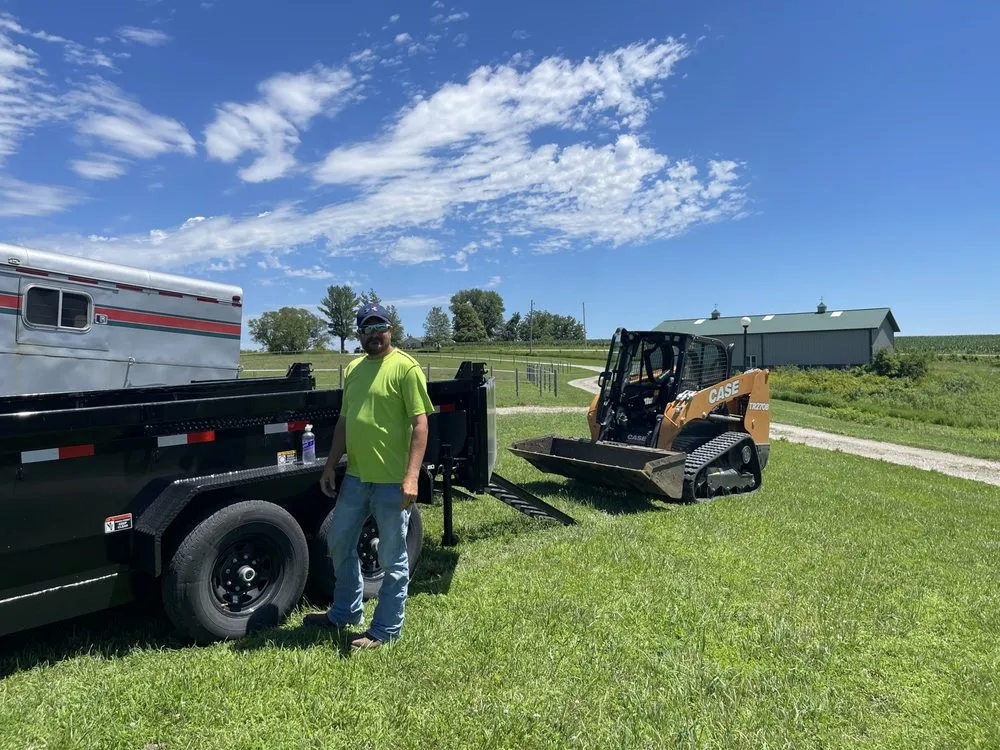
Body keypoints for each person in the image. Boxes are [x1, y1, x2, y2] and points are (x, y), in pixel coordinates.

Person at [303, 302, 434, 651]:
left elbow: (421, 425)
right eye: (367, 328)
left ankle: (386, 629)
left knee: (393, 558)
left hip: (392, 482)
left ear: (390, 330)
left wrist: (412, 477)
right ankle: (346, 612)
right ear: (359, 334)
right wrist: (330, 465)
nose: (374, 334)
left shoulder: (406, 368)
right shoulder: (355, 369)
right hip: (357, 478)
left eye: (380, 327)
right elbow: (345, 422)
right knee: (339, 543)